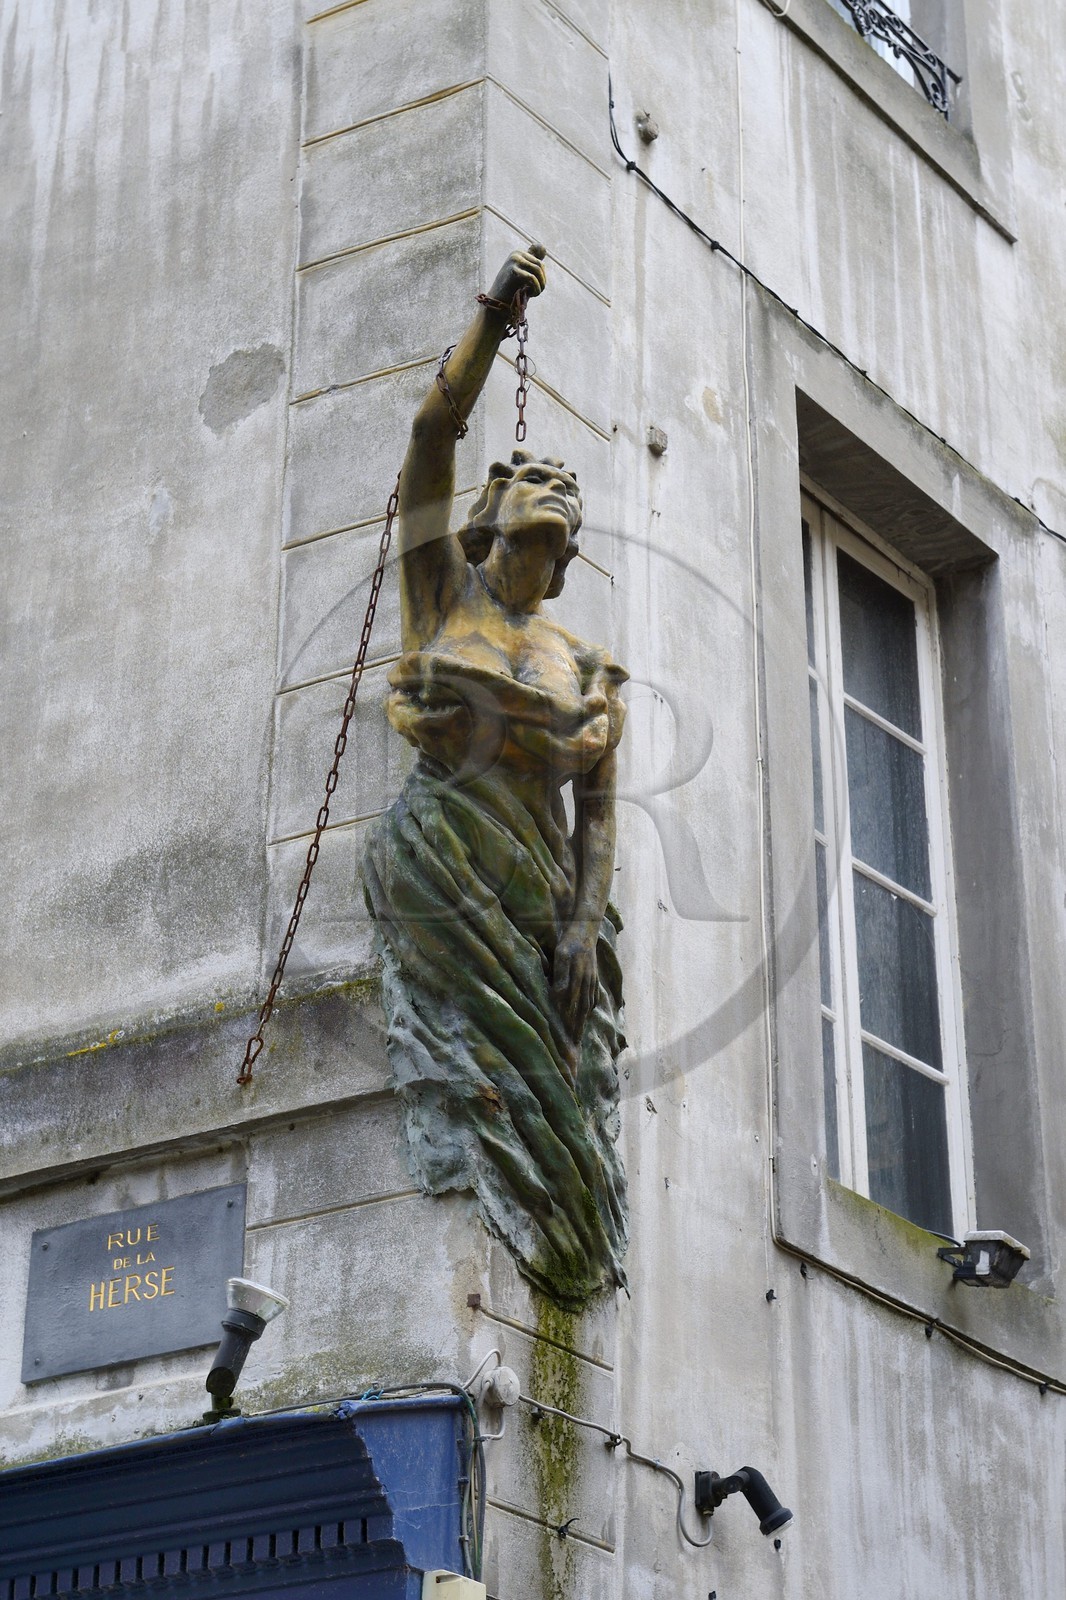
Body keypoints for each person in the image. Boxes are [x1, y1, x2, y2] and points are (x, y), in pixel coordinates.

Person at [364, 246, 628, 1304]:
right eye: (533, 477)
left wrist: (582, 920)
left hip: (542, 899)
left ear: (564, 553)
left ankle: (568, 1225)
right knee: (472, 1071)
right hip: (447, 858)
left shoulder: (584, 661)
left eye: (565, 488)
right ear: (494, 511)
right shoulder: (442, 595)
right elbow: (431, 434)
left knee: (566, 1088)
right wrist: (493, 319)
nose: (551, 485)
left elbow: (598, 809)